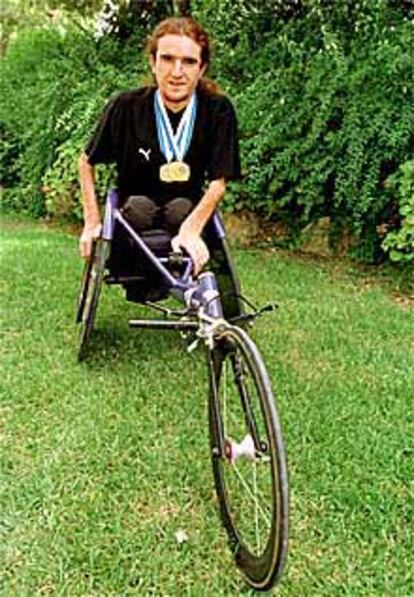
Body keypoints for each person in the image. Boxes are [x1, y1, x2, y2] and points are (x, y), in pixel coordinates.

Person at [79, 16, 243, 314]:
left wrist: (193, 230)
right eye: (167, 59)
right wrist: (92, 222)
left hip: (184, 210)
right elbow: (86, 162)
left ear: (202, 68)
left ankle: (183, 271)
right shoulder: (125, 106)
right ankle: (144, 278)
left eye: (189, 62)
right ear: (153, 62)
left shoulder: (218, 110)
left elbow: (219, 183)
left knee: (182, 209)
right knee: (138, 210)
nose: (177, 72)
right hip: (134, 214)